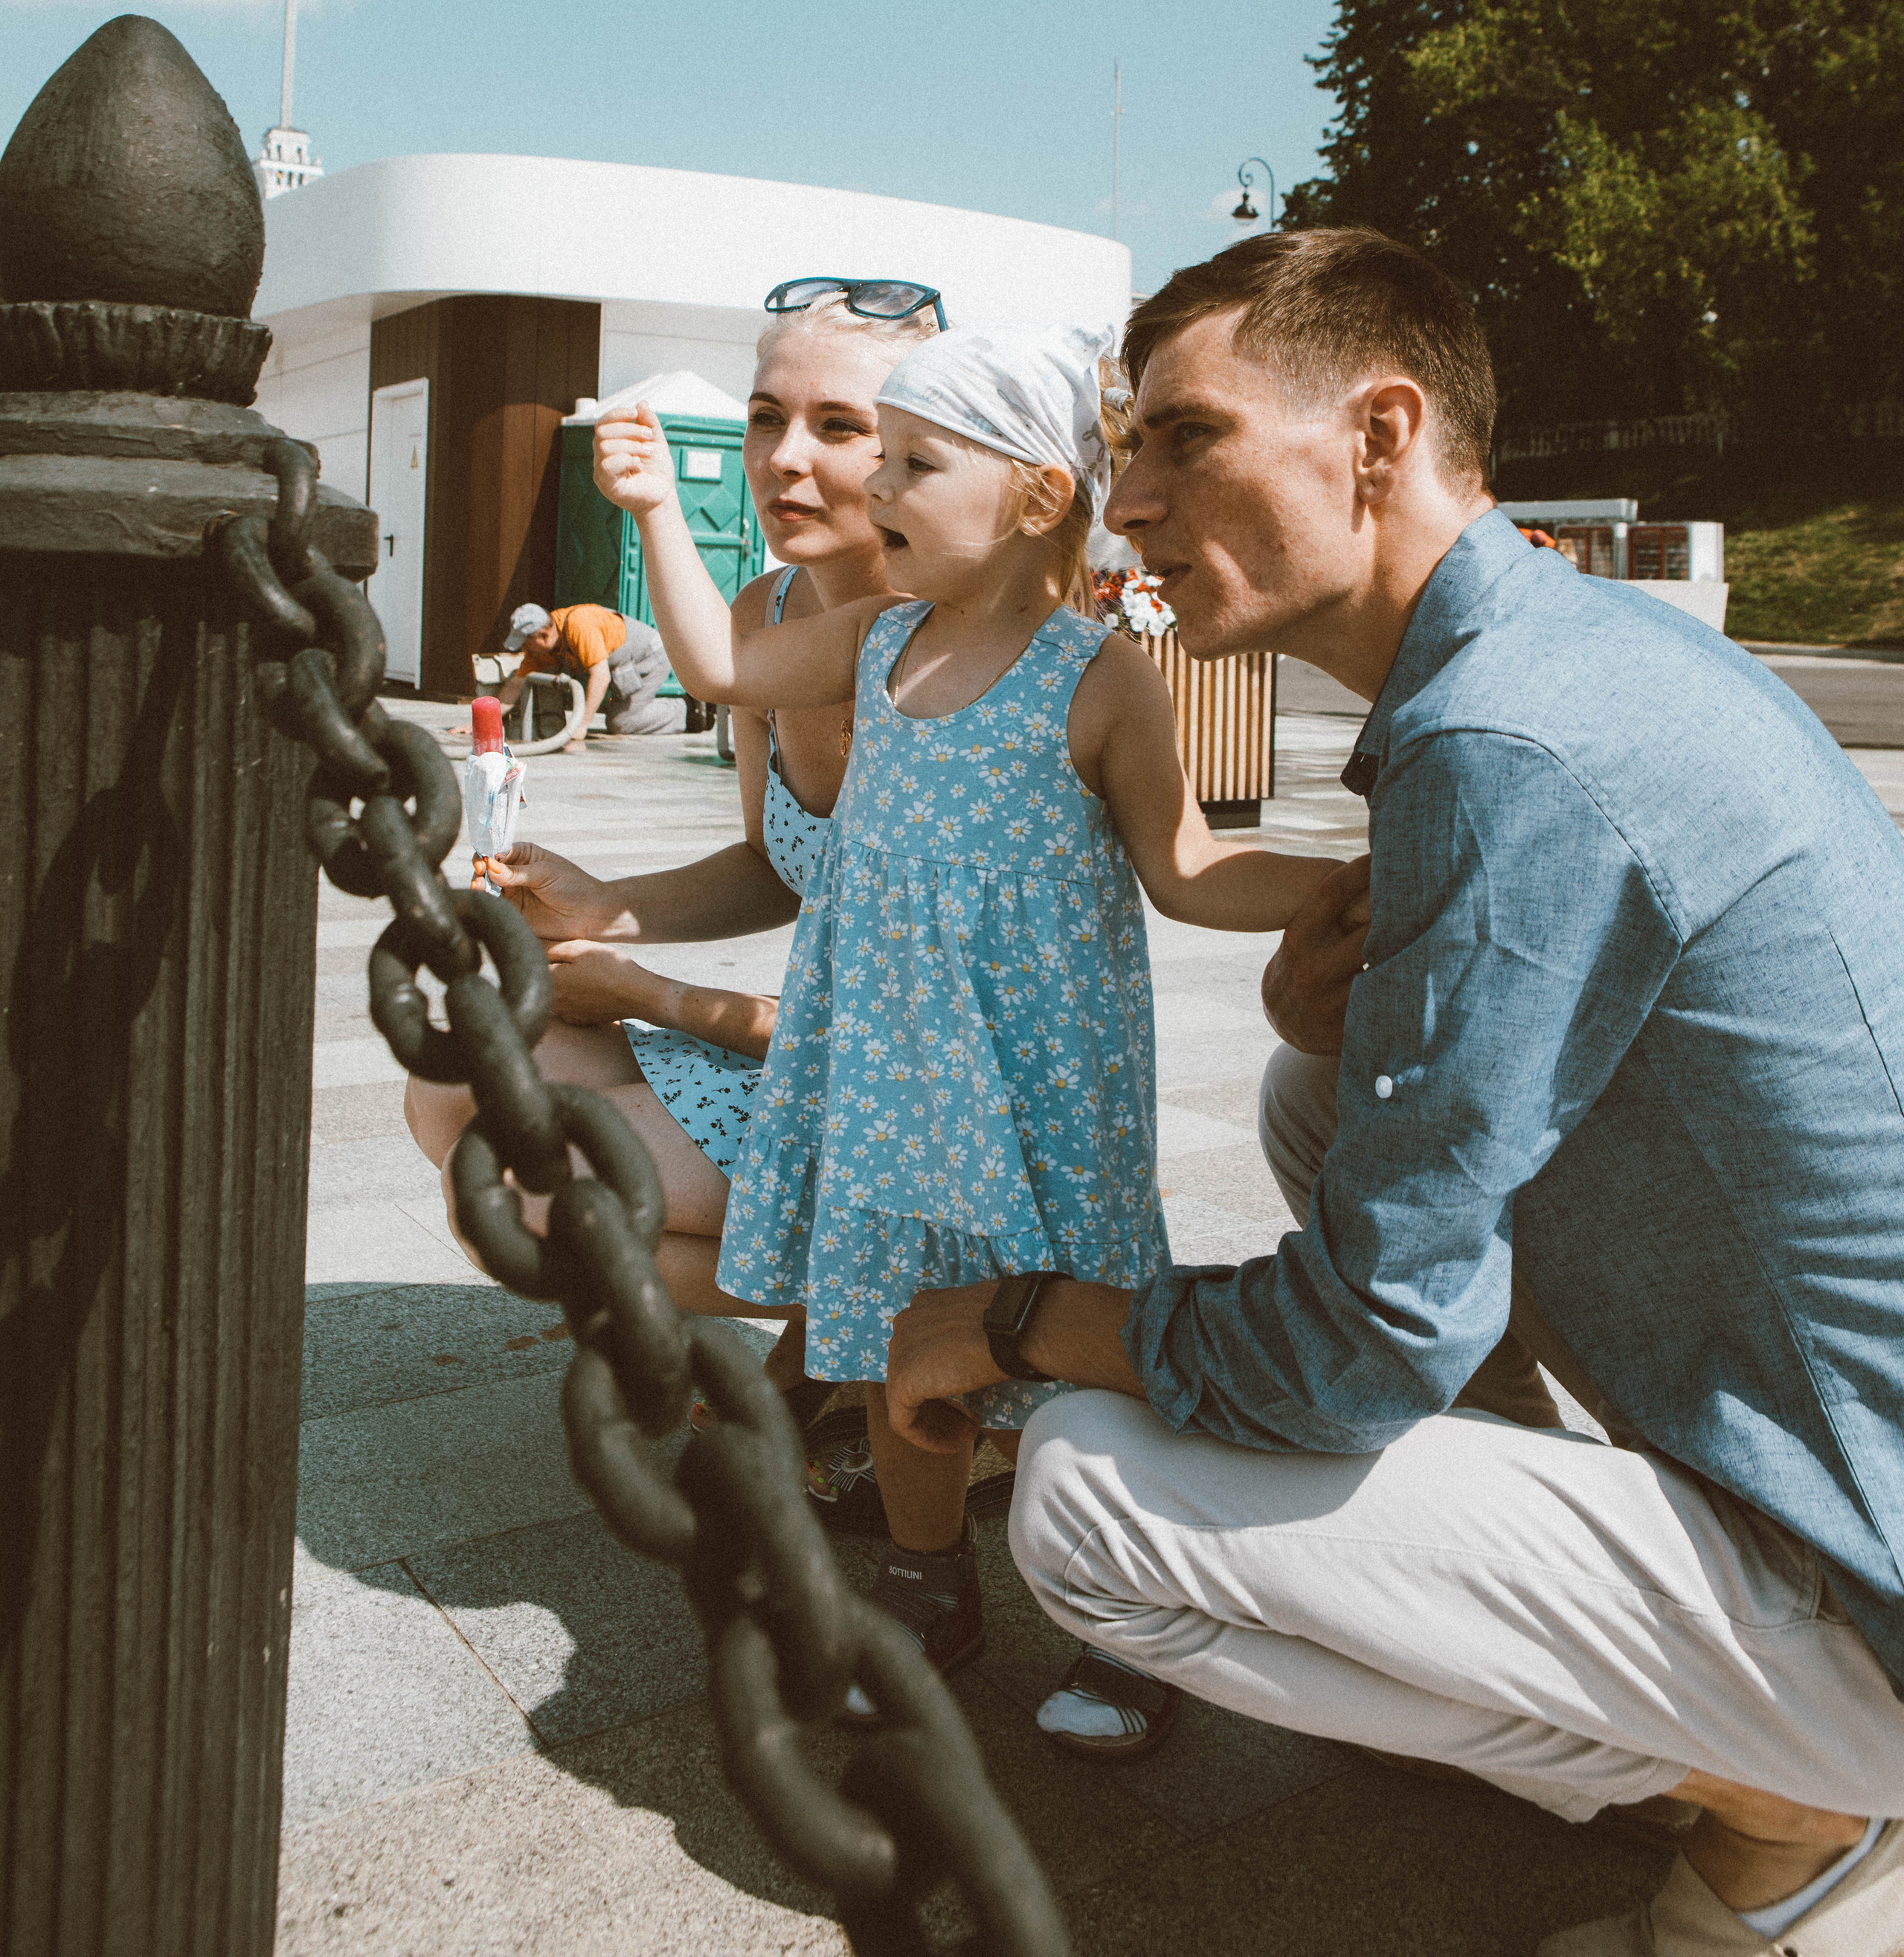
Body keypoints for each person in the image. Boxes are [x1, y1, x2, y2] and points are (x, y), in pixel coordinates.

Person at [884, 227, 1904, 1954]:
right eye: (1125, 446)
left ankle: (1785, 1805)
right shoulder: (1550, 663)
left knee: (1080, 1495)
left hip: (1866, 1564)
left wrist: (1007, 1316)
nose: (1123, 502)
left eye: (1181, 437)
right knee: (1308, 1085)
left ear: (1377, 434)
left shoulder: (1502, 738)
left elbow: (1365, 1339)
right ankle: (1625, 1667)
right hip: (1835, 1455)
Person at [594, 321, 1346, 1720]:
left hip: (1045, 1092)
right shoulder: (873, 644)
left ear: (1035, 496)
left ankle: (1130, 1626)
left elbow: (1188, 865)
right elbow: (715, 666)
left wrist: (1369, 874)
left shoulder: (1095, 678)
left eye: (912, 465)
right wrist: (652, 514)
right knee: (894, 1344)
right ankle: (930, 1585)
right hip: (885, 1086)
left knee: (1068, 1340)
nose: (875, 491)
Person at [405, 283, 940, 1386]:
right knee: (454, 1079)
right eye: (765, 416)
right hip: (800, 1053)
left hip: (922, 1118)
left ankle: (921, 1318)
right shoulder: (766, 616)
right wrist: (600, 904)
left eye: (839, 426)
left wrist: (650, 993)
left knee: (542, 1200)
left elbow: (916, 1046)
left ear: (921, 452)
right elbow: (770, 864)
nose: (785, 457)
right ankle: (849, 1329)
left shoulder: (954, 660)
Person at [495, 600, 675, 745]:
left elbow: (601, 676)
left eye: (526, 643)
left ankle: (686, 712)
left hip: (649, 656)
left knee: (622, 723)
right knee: (615, 714)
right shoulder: (541, 648)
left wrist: (582, 725)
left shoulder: (579, 626)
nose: (524, 649)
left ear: (544, 635)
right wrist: (486, 719)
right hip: (620, 665)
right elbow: (516, 684)